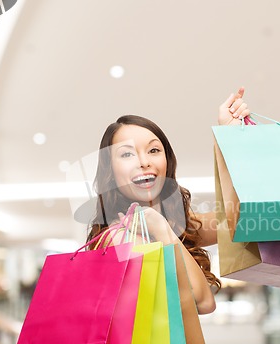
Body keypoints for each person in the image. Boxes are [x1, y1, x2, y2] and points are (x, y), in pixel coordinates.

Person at [86, 87, 250, 314]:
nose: (143, 161)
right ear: (110, 171)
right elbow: (202, 302)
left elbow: (244, 219)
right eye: (126, 154)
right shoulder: (119, 237)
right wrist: (163, 230)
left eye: (153, 150)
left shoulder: (177, 224)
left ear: (167, 161)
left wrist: (231, 136)